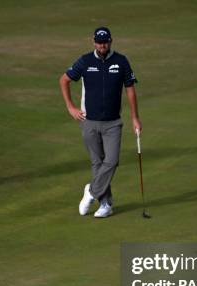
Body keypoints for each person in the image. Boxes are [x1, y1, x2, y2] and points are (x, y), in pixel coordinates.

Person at [59, 27, 142, 218]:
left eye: (105, 42)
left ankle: (91, 192)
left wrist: (135, 117)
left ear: (111, 41)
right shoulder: (85, 61)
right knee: (97, 163)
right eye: (99, 42)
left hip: (113, 123)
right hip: (88, 121)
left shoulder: (121, 61)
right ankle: (105, 204)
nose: (102, 45)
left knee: (111, 161)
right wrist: (70, 107)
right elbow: (64, 80)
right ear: (93, 42)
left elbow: (130, 89)